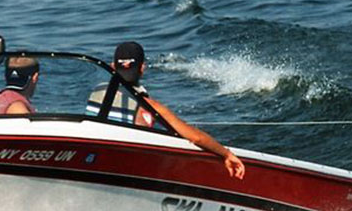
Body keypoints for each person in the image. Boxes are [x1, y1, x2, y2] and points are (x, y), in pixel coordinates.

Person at [88, 41, 246, 179]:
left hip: (92, 157)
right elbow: (197, 138)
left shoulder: (96, 92)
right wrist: (226, 154)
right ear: (142, 68)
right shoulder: (148, 105)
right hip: (123, 164)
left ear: (112, 67)